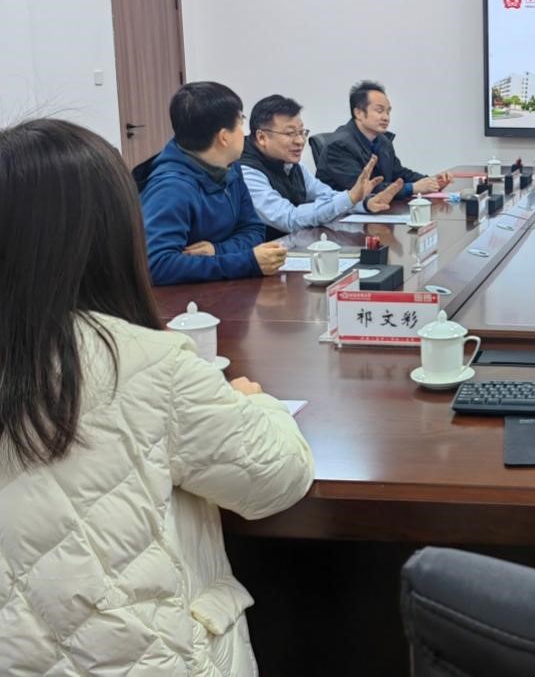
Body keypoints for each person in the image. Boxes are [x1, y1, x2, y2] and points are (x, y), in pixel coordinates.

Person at [0, 119, 314, 675]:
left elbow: (252, 231)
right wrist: (253, 402)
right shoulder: (144, 361)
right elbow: (277, 475)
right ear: (111, 234)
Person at [140, 81, 287, 285]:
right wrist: (245, 262)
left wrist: (217, 250)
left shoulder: (231, 168)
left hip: (226, 289)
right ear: (224, 137)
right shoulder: (171, 189)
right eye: (241, 122)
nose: (243, 133)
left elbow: (254, 230)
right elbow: (155, 265)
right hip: (185, 300)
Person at [241, 94, 406, 239]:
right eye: (290, 133)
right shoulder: (247, 172)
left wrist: (364, 203)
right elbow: (288, 219)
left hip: (293, 247)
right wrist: (349, 198)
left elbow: (327, 195)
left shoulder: (292, 166)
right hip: (261, 258)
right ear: (262, 137)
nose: (300, 141)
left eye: (301, 132)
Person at [316, 80, 455, 197]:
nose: (386, 117)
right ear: (358, 113)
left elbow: (399, 174)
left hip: (374, 212)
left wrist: (431, 181)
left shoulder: (382, 141)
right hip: (342, 217)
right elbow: (363, 189)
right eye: (379, 110)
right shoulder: (339, 145)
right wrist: (412, 188)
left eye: (388, 112)